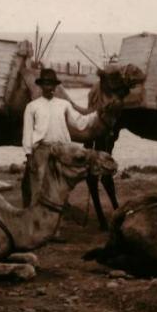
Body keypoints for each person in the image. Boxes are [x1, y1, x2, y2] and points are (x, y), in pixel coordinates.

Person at [22, 68, 99, 209]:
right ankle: (35, 220)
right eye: (46, 84)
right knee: (39, 186)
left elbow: (79, 122)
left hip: (62, 152)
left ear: (55, 86)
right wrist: (29, 155)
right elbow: (27, 132)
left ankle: (57, 219)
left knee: (60, 187)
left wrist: (97, 114)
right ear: (40, 86)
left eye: (51, 84)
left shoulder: (64, 104)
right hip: (42, 150)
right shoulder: (32, 106)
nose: (49, 87)